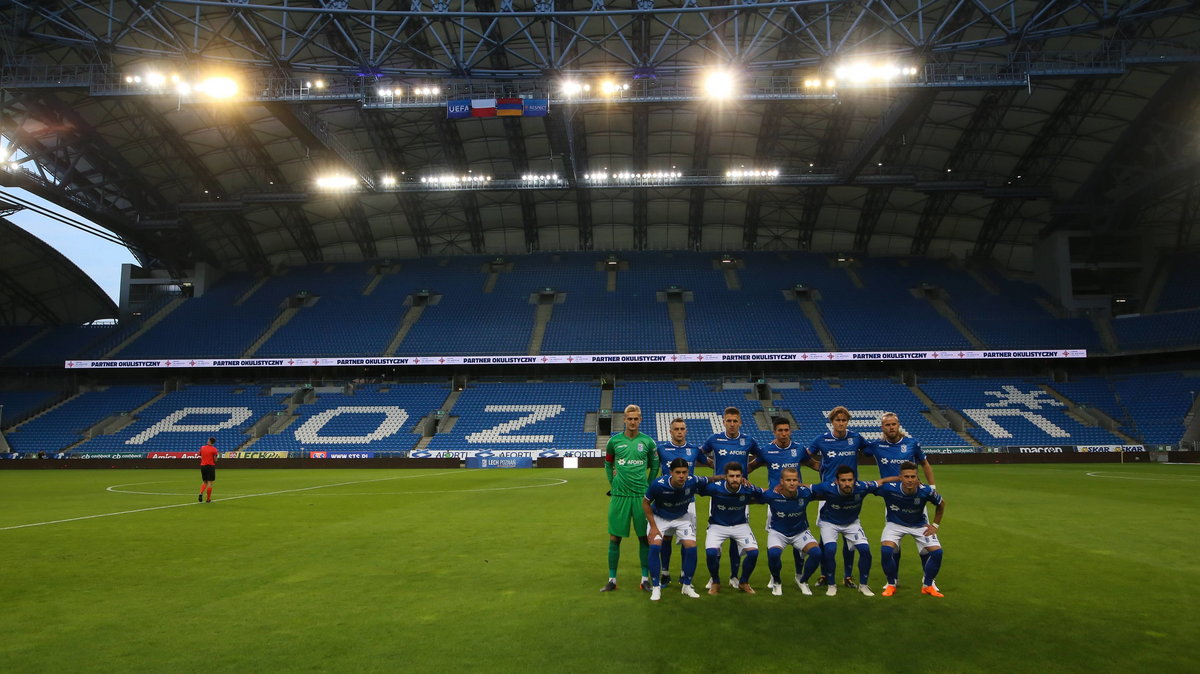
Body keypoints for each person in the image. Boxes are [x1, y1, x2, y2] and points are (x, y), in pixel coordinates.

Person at [863, 412, 937, 585]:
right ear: (882, 428)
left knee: (925, 543)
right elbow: (857, 449)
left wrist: (932, 487)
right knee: (893, 544)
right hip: (892, 500)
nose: (891, 427)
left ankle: (929, 581)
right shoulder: (876, 446)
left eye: (894, 424)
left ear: (898, 425)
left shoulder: (912, 443)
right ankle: (893, 579)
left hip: (915, 499)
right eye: (887, 425)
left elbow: (925, 463)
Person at [805, 406, 869, 589]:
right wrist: (817, 467)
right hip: (828, 494)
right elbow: (804, 456)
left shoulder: (856, 438)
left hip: (850, 492)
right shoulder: (822, 439)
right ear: (831, 422)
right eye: (837, 420)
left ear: (847, 421)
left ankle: (847, 577)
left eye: (844, 420)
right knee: (827, 538)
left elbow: (870, 450)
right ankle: (824, 574)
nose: (841, 423)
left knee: (849, 538)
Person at [700, 407, 763, 589]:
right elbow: (699, 454)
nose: (732, 424)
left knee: (737, 537)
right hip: (718, 493)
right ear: (724, 422)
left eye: (735, 421)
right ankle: (714, 578)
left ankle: (735, 577)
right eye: (729, 420)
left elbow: (762, 457)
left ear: (740, 422)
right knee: (716, 538)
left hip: (741, 494)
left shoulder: (748, 441)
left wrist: (748, 470)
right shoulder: (714, 439)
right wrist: (711, 466)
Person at [810, 464, 897, 596]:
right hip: (829, 522)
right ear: (837, 481)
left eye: (850, 480)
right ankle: (832, 585)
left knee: (865, 551)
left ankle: (863, 585)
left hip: (852, 523)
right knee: (830, 550)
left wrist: (900, 478)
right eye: (843, 480)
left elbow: (880, 482)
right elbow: (808, 487)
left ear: (854, 480)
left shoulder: (862, 487)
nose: (847, 483)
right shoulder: (827, 487)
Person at [601, 404, 659, 592]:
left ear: (640, 420)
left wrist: (648, 487)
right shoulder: (614, 442)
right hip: (619, 496)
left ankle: (644, 579)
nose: (633, 422)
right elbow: (608, 464)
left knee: (644, 538)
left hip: (640, 497)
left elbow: (654, 466)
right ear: (624, 420)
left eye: (636, 418)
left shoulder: (648, 442)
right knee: (614, 538)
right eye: (630, 418)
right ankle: (612, 580)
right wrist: (613, 482)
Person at [748, 417, 808, 590]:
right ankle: (773, 577)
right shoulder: (767, 451)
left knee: (799, 539)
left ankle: (799, 575)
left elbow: (815, 464)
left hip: (797, 501)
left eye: (786, 430)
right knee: (774, 541)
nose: (783, 433)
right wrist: (741, 478)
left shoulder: (799, 449)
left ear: (790, 431)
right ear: (774, 432)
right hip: (774, 502)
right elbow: (750, 467)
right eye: (780, 430)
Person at [643, 458, 712, 600]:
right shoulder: (658, 484)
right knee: (655, 547)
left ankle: (687, 586)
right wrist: (654, 527)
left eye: (684, 472)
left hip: (681, 517)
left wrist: (725, 477)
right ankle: (656, 588)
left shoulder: (692, 480)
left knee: (691, 547)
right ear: (671, 473)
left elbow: (710, 479)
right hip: (659, 517)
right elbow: (645, 503)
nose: (681, 476)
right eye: (678, 472)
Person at [877, 461, 946, 597]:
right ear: (900, 477)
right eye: (906, 477)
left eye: (913, 477)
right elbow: (868, 488)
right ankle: (891, 584)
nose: (910, 480)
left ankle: (927, 585)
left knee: (937, 553)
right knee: (886, 550)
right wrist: (883, 480)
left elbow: (941, 504)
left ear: (917, 477)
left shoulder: (925, 491)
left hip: (919, 525)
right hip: (895, 524)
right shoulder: (889, 488)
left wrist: (935, 525)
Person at [699, 462, 763, 595]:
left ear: (742, 477)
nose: (735, 479)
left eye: (738, 476)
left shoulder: (748, 488)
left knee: (753, 553)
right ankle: (715, 582)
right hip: (717, 525)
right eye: (731, 476)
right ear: (726, 477)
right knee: (711, 553)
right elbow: (697, 489)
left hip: (740, 525)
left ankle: (744, 582)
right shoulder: (715, 488)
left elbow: (766, 495)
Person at [654, 417, 703, 588]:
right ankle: (665, 573)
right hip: (666, 500)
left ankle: (684, 574)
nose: (679, 432)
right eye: (676, 429)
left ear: (686, 430)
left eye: (682, 428)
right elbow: (649, 464)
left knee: (687, 539)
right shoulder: (662, 449)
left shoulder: (694, 450)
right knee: (666, 538)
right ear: (670, 431)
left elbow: (712, 463)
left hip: (689, 501)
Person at [759, 467, 823, 596]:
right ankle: (777, 582)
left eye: (795, 480)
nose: (792, 483)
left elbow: (823, 490)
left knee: (816, 553)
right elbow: (753, 495)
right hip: (778, 532)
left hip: (800, 532)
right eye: (788, 480)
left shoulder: (805, 493)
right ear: (781, 481)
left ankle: (803, 581)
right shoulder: (772, 495)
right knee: (774, 554)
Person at [198, 437, 218, 503]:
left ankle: (201, 493)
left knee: (204, 482)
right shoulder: (214, 449)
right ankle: (208, 499)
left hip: (203, 466)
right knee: (210, 483)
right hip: (210, 466)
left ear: (209, 441)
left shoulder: (202, 447)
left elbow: (200, 455)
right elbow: (215, 460)